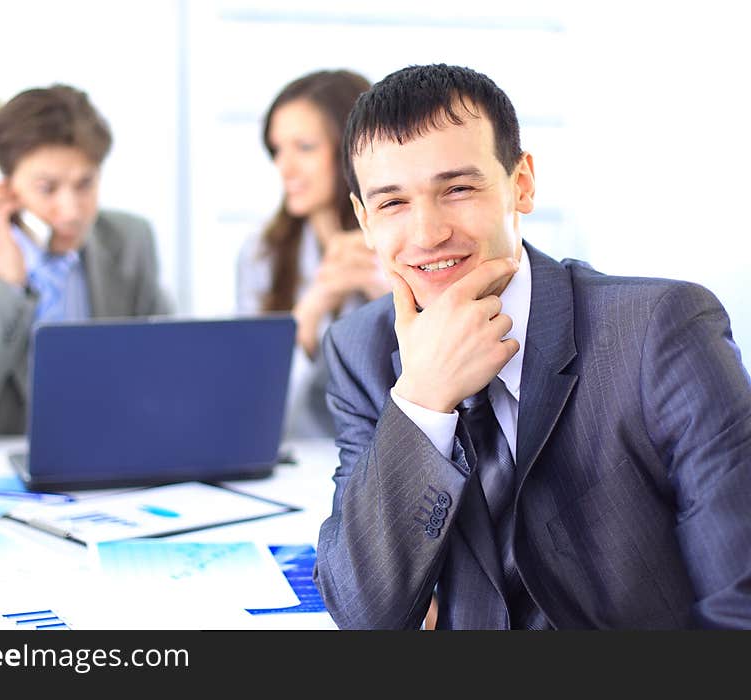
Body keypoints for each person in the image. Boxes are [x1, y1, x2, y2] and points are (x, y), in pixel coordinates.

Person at [313, 63, 751, 629]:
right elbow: (364, 614)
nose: (427, 234)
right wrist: (423, 399)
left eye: (459, 188)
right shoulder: (362, 352)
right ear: (363, 219)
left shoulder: (660, 329)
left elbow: (739, 605)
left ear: (521, 183)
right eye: (393, 203)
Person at [0, 84, 172, 447]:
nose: (71, 212)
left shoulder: (131, 240)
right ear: (2, 185)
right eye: (47, 188)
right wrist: (6, 283)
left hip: (99, 468)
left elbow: (164, 378)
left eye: (85, 184)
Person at [236, 69, 390, 439]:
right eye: (277, 150)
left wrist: (387, 295)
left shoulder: (404, 241)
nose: (283, 167)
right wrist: (314, 304)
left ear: (352, 151)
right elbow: (248, 410)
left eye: (304, 148)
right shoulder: (262, 255)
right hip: (297, 462)